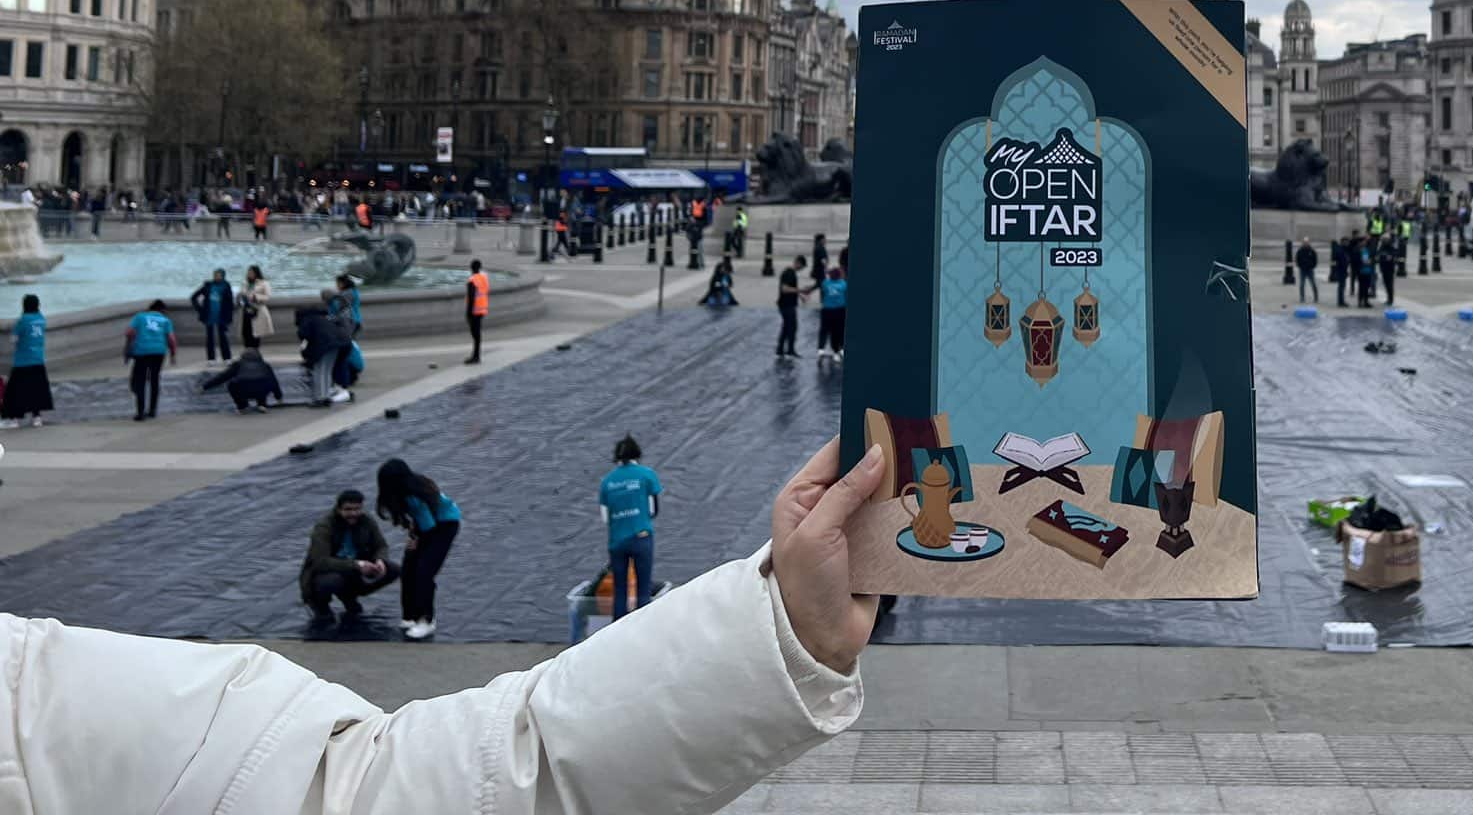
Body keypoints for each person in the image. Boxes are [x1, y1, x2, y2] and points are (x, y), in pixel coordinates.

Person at [0, 439, 878, 809]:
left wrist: (782, 626)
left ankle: (421, 613)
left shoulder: (34, 697)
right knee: (626, 576)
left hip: (462, 535)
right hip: (569, 542)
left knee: (446, 574)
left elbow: (378, 791)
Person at [377, 458, 462, 641]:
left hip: (445, 525)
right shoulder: (408, 491)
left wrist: (418, 542)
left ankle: (426, 620)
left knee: (424, 571)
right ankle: (409, 616)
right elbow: (420, 523)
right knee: (408, 568)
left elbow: (430, 527)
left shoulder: (414, 496)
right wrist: (414, 538)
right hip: (427, 527)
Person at [300, 487, 394, 622]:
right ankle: (320, 605)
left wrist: (380, 560)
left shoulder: (366, 521)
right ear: (339, 509)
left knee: (393, 569)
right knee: (331, 581)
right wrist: (357, 565)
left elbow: (381, 545)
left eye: (357, 509)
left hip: (352, 570)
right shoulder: (324, 527)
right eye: (348, 509)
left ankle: (349, 595)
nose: (353, 513)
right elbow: (320, 562)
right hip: (327, 572)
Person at [599, 434, 663, 621]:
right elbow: (653, 510)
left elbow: (605, 518)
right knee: (643, 587)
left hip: (617, 541)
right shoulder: (646, 475)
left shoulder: (607, 482)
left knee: (620, 589)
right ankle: (642, 631)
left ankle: (617, 630)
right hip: (641, 536)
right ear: (637, 454)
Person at [1, 295, 52, 428]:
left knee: (15, 392)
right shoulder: (41, 319)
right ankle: (37, 418)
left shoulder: (23, 320)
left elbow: (14, 339)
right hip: (38, 360)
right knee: (37, 391)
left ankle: (13, 419)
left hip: (23, 361)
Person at [125, 300, 177, 420]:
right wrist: (173, 355)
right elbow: (171, 339)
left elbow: (129, 333)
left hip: (142, 351)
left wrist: (129, 349)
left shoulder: (140, 317)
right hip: (159, 352)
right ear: (162, 310)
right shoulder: (165, 320)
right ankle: (153, 410)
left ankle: (140, 413)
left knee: (140, 381)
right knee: (154, 379)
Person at [201, 348, 285, 414]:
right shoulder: (265, 365)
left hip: (244, 390)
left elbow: (222, 377)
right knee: (264, 381)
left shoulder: (238, 364)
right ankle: (262, 404)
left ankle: (242, 406)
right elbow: (274, 382)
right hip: (261, 390)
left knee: (232, 384)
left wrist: (205, 387)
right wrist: (279, 397)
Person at [297, 304, 352, 406]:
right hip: (339, 343)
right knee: (327, 370)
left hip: (326, 345)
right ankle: (325, 396)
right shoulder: (323, 317)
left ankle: (321, 398)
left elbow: (304, 334)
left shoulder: (307, 320)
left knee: (320, 371)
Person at [190, 267, 237, 362]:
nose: (217, 277)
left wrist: (230, 314)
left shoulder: (226, 286)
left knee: (223, 337)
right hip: (209, 316)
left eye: (219, 275)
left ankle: (227, 357)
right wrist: (199, 309)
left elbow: (230, 303)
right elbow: (194, 297)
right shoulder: (208, 285)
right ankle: (211, 358)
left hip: (222, 316)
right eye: (215, 275)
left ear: (223, 276)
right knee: (210, 337)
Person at [805, 265, 847, 360]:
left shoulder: (826, 283)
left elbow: (823, 292)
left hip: (827, 310)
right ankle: (837, 350)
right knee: (837, 330)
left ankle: (821, 349)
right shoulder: (844, 284)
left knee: (824, 330)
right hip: (840, 310)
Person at [775, 255, 803, 360]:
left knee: (786, 326)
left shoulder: (789, 272)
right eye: (801, 267)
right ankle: (790, 350)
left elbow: (790, 288)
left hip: (786, 304)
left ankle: (780, 349)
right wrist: (799, 291)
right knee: (792, 327)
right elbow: (784, 289)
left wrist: (800, 295)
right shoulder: (789, 273)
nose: (800, 269)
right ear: (798, 263)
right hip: (787, 304)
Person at [241, 264, 274, 348]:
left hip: (257, 311)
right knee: (246, 333)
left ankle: (255, 353)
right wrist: (240, 298)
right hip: (246, 310)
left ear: (256, 273)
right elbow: (242, 294)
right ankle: (247, 353)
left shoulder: (264, 283)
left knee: (256, 333)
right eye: (249, 272)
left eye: (251, 272)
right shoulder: (245, 283)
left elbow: (268, 296)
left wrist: (256, 297)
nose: (249, 274)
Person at [464, 259, 488, 364]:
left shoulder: (472, 280)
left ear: (471, 268)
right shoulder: (483, 278)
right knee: (477, 334)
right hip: (482, 309)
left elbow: (471, 297)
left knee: (475, 334)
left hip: (474, 311)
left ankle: (475, 357)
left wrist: (468, 313)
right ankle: (476, 355)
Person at [1378, 230, 1399, 308]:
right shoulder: (1382, 247)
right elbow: (1379, 254)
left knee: (1390, 285)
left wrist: (1391, 257)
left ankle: (1390, 299)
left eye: (1386, 239)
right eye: (1384, 239)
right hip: (1384, 268)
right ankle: (1388, 298)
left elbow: (1395, 254)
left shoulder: (1391, 247)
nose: (1385, 241)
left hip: (1390, 269)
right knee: (1386, 284)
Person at [1294, 237, 1318, 304]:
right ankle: (1302, 297)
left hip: (1310, 269)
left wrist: (1313, 266)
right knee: (1302, 284)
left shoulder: (1312, 251)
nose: (1305, 244)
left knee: (1313, 283)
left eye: (1307, 242)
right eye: (1304, 242)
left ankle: (1316, 297)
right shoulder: (1300, 251)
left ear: (1308, 243)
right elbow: (1297, 259)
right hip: (1302, 270)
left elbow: (1315, 259)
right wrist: (1299, 266)